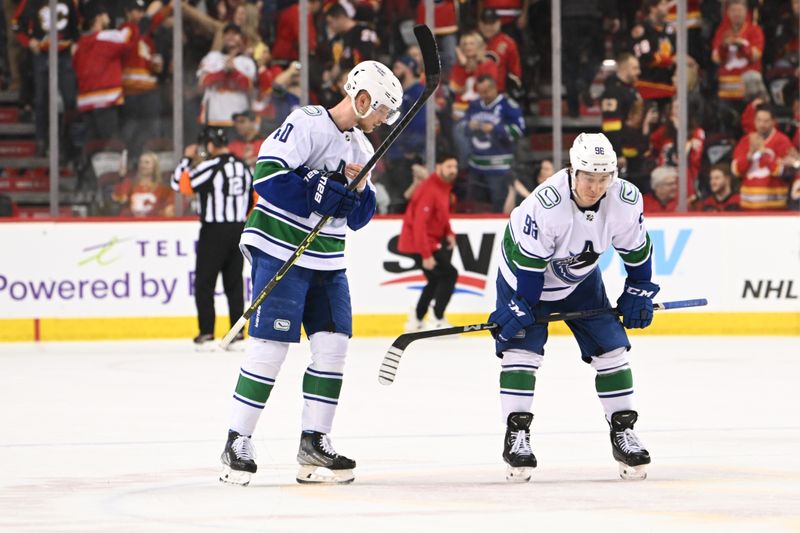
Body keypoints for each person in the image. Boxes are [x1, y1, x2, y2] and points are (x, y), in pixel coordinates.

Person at [219, 60, 402, 486]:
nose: (382, 121)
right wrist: (317, 190)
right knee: (270, 349)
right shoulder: (307, 122)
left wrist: (353, 195)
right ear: (361, 99)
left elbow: (360, 218)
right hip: (280, 249)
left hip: (328, 260)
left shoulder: (362, 149)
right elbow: (267, 176)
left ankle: (314, 442)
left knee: (334, 348)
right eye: (380, 110)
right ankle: (237, 439)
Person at [488, 133, 658, 482]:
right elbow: (530, 269)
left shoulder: (625, 199)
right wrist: (522, 307)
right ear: (572, 171)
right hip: (523, 277)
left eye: (603, 178)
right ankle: (517, 435)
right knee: (522, 350)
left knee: (612, 348)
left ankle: (623, 432)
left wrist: (639, 289)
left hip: (580, 280)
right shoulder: (547, 205)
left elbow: (637, 252)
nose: (596, 187)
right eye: (588, 178)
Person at [171, 127, 254, 349]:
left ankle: (207, 333)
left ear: (210, 145)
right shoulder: (243, 167)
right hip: (238, 229)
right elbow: (253, 198)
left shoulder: (210, 166)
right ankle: (237, 335)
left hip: (214, 231)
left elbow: (178, 183)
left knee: (205, 283)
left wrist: (186, 159)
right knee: (234, 284)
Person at [398, 151, 459, 332]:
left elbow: (441, 215)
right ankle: (437, 318)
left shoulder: (443, 187)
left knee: (435, 279)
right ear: (438, 167)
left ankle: (417, 318)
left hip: (426, 241)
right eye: (449, 166)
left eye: (454, 166)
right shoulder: (430, 189)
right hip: (417, 243)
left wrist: (449, 232)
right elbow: (419, 224)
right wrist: (425, 254)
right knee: (449, 275)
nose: (453, 170)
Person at [731, 103, 800, 210]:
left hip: (775, 208)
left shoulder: (782, 141)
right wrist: (750, 155)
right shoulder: (746, 141)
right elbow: (736, 171)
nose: (762, 124)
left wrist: (763, 155)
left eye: (766, 121)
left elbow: (788, 173)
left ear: (773, 122)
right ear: (754, 121)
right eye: (759, 120)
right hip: (747, 208)